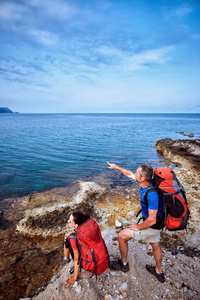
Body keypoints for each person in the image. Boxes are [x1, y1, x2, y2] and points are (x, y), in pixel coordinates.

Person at [107, 162, 165, 283]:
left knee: (122, 236)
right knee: (155, 245)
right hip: (158, 224)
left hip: (153, 225)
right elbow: (129, 174)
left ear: (143, 178)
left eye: (137, 172)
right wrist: (117, 167)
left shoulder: (152, 194)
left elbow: (151, 219)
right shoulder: (146, 183)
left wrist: (138, 227)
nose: (135, 173)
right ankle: (158, 272)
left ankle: (123, 264)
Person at [61, 211, 89, 288]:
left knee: (67, 238)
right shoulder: (84, 227)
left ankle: (66, 259)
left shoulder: (73, 238)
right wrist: (73, 232)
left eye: (70, 221)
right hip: (93, 253)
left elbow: (77, 258)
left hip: (87, 260)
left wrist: (74, 277)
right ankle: (66, 258)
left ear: (76, 225)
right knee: (69, 235)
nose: (68, 222)